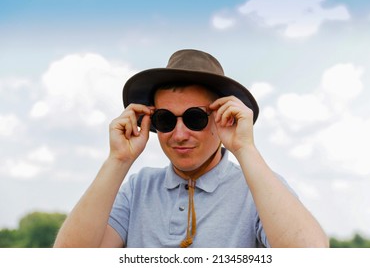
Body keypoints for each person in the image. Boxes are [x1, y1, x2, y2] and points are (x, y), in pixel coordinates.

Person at [54, 49, 329, 248]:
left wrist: (245, 148)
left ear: (224, 119)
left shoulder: (258, 188)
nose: (180, 134)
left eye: (195, 118)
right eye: (165, 120)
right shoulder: (137, 188)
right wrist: (118, 160)